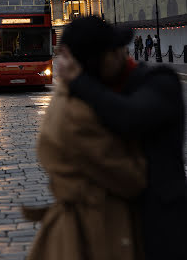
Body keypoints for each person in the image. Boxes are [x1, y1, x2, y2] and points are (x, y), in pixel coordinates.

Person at [57, 18, 187, 260]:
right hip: (112, 227)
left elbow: (129, 118)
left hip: (162, 227)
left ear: (114, 56)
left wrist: (80, 82)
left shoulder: (161, 81)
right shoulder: (93, 93)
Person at [23, 16, 147, 260]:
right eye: (114, 51)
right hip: (91, 233)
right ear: (96, 60)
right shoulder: (78, 114)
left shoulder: (71, 97)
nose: (123, 56)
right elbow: (132, 179)